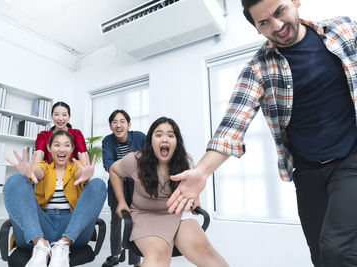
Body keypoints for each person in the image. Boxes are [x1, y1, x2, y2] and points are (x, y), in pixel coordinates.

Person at [167, 1, 357, 266]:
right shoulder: (258, 68)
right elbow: (233, 124)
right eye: (264, 22)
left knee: (337, 248)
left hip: (350, 159)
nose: (277, 26)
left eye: (279, 11)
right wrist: (201, 171)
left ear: (295, 1)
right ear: (256, 28)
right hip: (307, 172)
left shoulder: (343, 30)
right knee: (320, 254)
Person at [110, 117, 229, 267]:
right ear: (150, 140)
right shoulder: (135, 160)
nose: (164, 139)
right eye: (159, 135)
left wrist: (196, 197)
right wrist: (121, 201)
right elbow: (114, 170)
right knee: (158, 256)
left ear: (176, 142)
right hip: (145, 214)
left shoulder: (186, 161)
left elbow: (192, 184)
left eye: (170, 136)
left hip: (177, 213)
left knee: (203, 251)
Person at [4, 130, 106, 267]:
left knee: (98, 184)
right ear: (49, 148)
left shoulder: (75, 168)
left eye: (67, 145)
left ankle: (63, 244)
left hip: (72, 229)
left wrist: (85, 173)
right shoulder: (44, 167)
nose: (62, 149)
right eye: (57, 145)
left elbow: (79, 172)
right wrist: (30, 171)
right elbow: (37, 171)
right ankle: (40, 246)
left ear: (72, 149)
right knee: (15, 180)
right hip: (39, 228)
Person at [101, 110, 145, 267]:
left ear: (129, 124)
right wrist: (130, 166)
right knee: (116, 220)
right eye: (114, 122)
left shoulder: (139, 137)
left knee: (135, 221)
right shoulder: (107, 141)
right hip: (116, 185)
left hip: (137, 187)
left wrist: (121, 167)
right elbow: (108, 164)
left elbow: (148, 160)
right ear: (110, 126)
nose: (118, 125)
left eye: (122, 121)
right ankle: (115, 255)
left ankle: (135, 261)